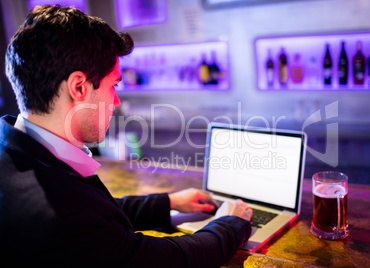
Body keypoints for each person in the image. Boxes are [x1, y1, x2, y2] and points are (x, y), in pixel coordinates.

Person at [0, 5, 252, 267]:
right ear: (78, 87)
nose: (117, 101)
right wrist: (230, 224)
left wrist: (169, 202)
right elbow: (170, 260)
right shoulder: (63, 216)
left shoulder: (15, 155)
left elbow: (98, 212)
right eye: (114, 85)